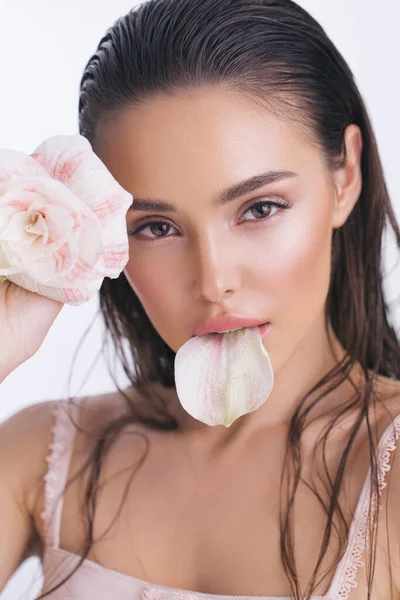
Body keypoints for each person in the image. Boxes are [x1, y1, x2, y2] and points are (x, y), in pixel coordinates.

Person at [1, 0, 400, 598]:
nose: (213, 281)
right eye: (157, 227)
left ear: (344, 178)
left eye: (259, 209)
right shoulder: (42, 456)